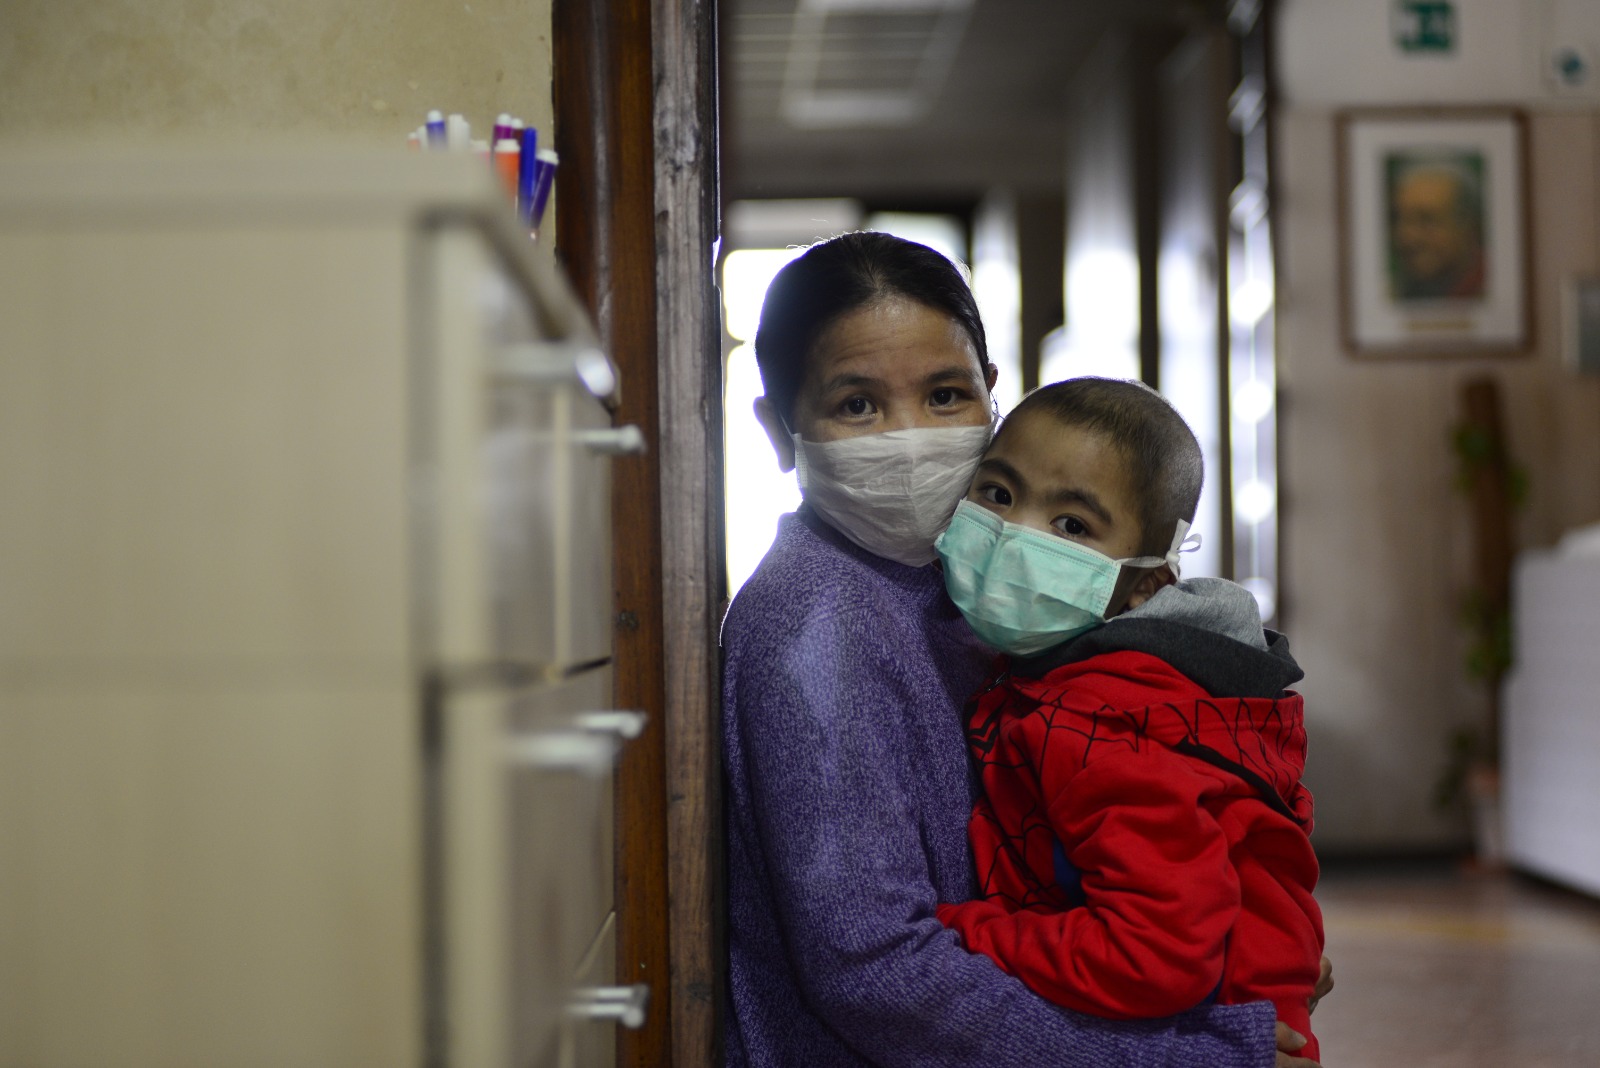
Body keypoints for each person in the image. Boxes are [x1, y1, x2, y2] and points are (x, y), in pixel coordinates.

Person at [720, 231, 1326, 1067]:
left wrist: (1250, 934)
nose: (911, 439)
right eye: (857, 404)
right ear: (781, 429)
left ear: (994, 401)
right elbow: (878, 972)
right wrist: (1196, 1055)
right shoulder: (813, 631)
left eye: (945, 395)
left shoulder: (971, 588)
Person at [933, 377, 1323, 1062]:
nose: (1014, 536)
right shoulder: (1172, 681)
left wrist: (968, 933)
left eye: (1072, 526)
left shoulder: (1095, 719)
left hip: (1206, 1040)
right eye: (997, 493)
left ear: (1144, 584)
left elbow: (1158, 953)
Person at [1389, 156, 1486, 300]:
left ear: (1469, 226)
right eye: (1398, 219)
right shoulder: (1393, 294)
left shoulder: (1490, 287)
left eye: (1427, 220)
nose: (1407, 237)